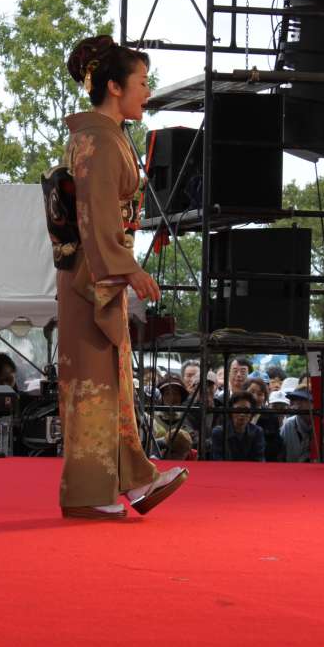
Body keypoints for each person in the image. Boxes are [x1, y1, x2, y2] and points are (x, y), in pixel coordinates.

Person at [52, 34, 187, 519]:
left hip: (93, 268)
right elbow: (96, 212)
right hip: (93, 271)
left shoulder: (101, 135)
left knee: (110, 381)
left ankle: (134, 479)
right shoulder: (100, 140)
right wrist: (128, 268)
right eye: (142, 82)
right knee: (93, 384)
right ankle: (89, 493)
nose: (147, 92)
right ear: (114, 86)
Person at [210, 392, 265, 461]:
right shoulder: (219, 432)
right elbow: (218, 460)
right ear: (231, 411)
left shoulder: (257, 432)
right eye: (238, 410)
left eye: (246, 410)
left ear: (251, 413)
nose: (242, 414)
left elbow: (259, 459)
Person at [244, 375, 284, 462]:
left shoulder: (271, 416)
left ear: (265, 397)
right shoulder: (236, 412)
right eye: (251, 392)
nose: (255, 397)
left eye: (260, 394)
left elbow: (275, 446)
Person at [281, 387, 313, 462]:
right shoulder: (288, 425)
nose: (298, 403)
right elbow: (281, 453)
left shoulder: (321, 425)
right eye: (295, 399)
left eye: (303, 399)